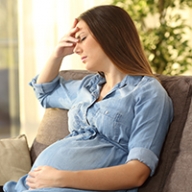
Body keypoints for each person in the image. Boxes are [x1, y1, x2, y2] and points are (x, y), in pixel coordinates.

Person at [3, 5, 173, 192]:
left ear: (109, 35)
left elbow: (137, 173)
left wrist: (60, 178)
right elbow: (45, 92)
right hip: (26, 187)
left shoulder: (148, 93)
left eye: (82, 38)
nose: (76, 48)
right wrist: (56, 54)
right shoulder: (88, 86)